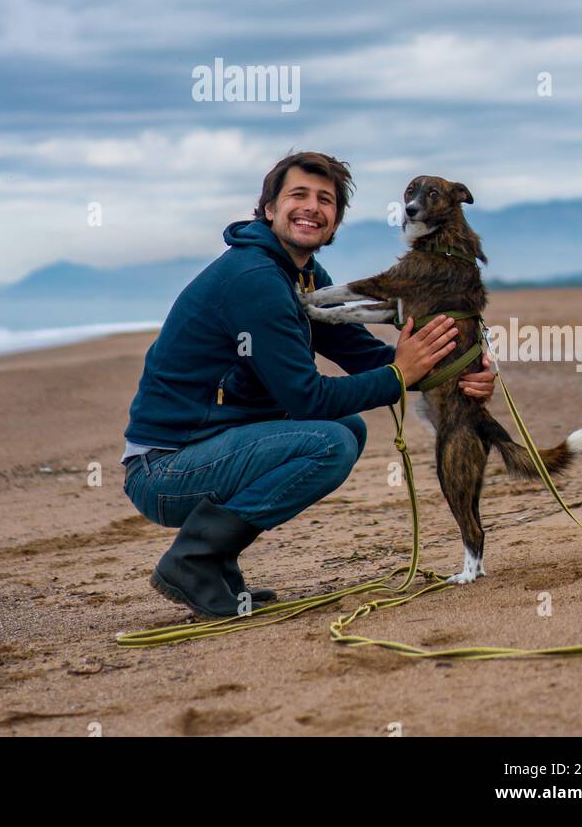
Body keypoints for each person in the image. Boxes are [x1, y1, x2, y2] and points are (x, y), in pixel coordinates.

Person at [121, 151, 496, 619]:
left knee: (347, 428)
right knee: (329, 441)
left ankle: (216, 561)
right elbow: (307, 397)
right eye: (298, 195)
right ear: (269, 208)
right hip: (165, 471)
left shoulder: (301, 276)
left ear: (336, 219)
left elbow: (360, 352)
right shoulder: (254, 279)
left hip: (210, 449)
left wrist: (454, 370)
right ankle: (192, 560)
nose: (312, 208)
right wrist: (402, 374)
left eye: (326, 200)